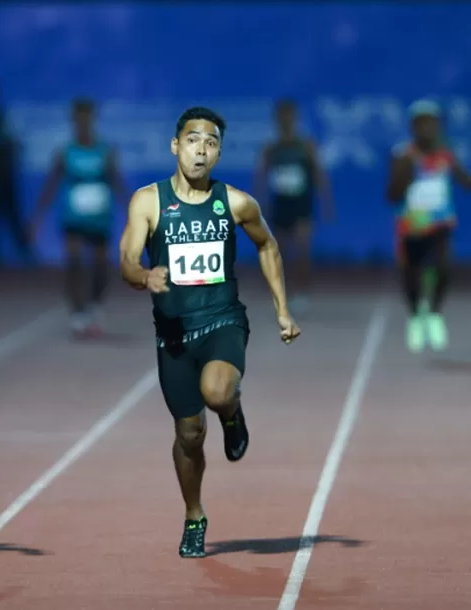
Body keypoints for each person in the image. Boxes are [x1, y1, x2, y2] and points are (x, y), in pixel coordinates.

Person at [119, 106, 300, 558]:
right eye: (194, 139)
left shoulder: (235, 203)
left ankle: (232, 413)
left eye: (211, 142)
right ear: (175, 145)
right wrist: (143, 277)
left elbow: (268, 245)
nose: (201, 149)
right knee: (189, 435)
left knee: (217, 392)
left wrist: (282, 309)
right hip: (174, 335)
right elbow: (126, 259)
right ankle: (194, 515)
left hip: (223, 321)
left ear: (218, 154)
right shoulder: (148, 201)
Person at [29, 98, 127, 337]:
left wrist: (134, 212)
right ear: (74, 121)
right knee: (73, 260)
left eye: (87, 118)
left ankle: (94, 305)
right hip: (73, 218)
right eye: (79, 119)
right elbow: (50, 187)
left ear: (93, 120)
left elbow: (117, 183)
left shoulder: (105, 151)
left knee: (102, 264)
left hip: (99, 218)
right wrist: (36, 219)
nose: (83, 123)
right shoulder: (65, 153)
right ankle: (77, 311)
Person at [386, 99, 471, 353]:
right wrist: (405, 177)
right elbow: (391, 195)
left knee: (443, 268)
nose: (428, 129)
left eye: (432, 124)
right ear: (413, 126)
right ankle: (415, 316)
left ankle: (434, 314)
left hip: (440, 224)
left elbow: (465, 182)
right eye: (422, 124)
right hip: (411, 226)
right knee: (411, 275)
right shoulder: (403, 155)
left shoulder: (447, 154)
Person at [254, 99, 335, 314]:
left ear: (295, 118)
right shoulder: (272, 147)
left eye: (290, 116)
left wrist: (326, 203)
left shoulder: (305, 145)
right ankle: (283, 292)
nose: (286, 120)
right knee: (279, 252)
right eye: (282, 116)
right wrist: (259, 204)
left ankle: (302, 292)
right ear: (277, 119)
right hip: (280, 204)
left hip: (301, 204)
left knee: (302, 249)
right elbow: (261, 176)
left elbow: (319, 174)